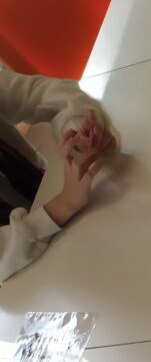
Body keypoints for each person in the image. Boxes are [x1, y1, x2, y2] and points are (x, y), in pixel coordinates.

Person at [0, 68, 120, 284]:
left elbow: (42, 93)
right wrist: (62, 205)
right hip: (23, 278)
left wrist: (79, 132)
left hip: (49, 189)